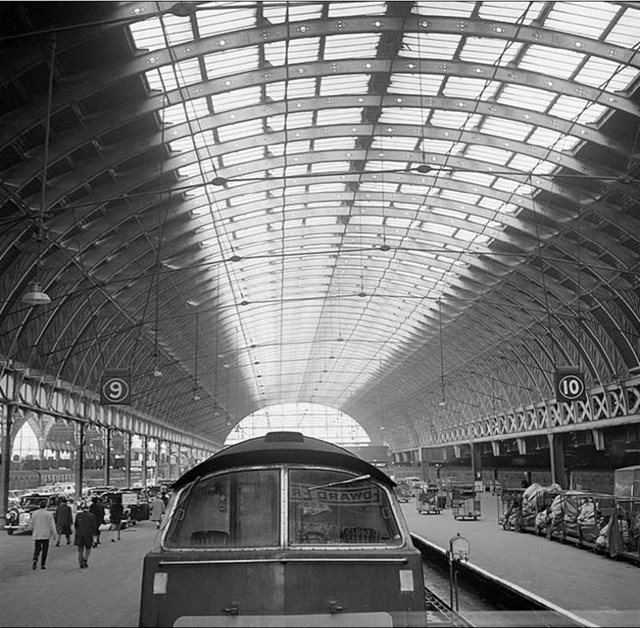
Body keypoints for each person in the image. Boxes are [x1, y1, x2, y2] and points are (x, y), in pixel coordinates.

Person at [30, 499, 57, 570]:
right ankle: (43, 564)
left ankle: (35, 559)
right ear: (46, 506)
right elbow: (52, 525)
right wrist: (54, 534)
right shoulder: (49, 514)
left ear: (39, 506)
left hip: (37, 533)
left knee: (37, 548)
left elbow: (32, 523)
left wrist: (31, 529)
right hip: (46, 534)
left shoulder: (35, 513)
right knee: (45, 550)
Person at [74, 503, 98, 569]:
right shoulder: (92, 516)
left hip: (79, 534)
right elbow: (94, 526)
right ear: (88, 509)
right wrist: (95, 535)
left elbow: (76, 525)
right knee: (88, 548)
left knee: (80, 549)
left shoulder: (78, 515)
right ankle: (85, 559)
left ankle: (80, 562)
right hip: (88, 534)